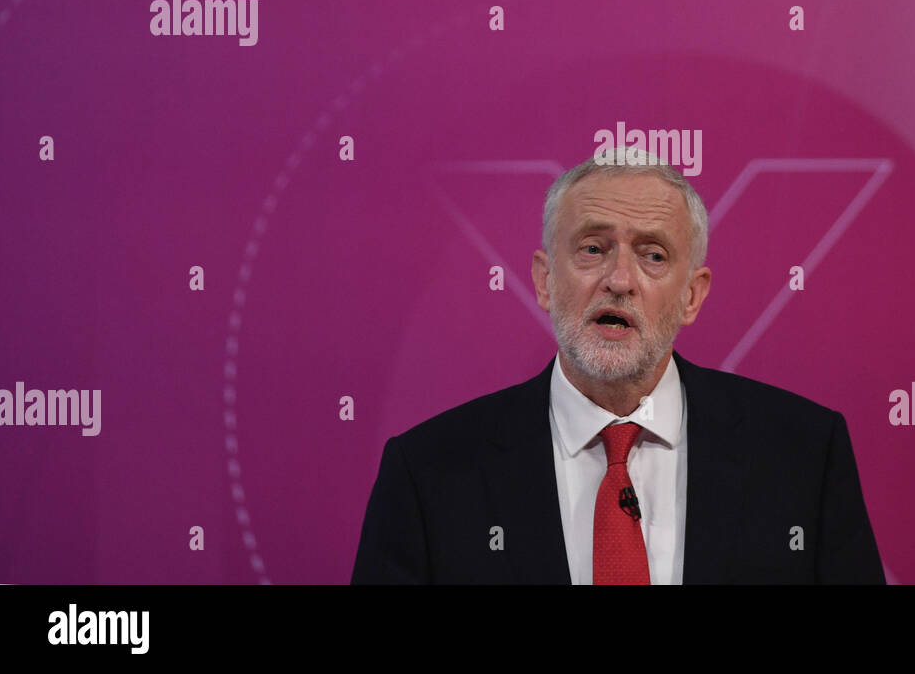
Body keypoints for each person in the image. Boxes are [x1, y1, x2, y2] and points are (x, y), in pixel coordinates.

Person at [351, 146, 886, 584]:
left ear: (693, 296)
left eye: (653, 254)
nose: (620, 279)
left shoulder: (805, 455)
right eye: (592, 248)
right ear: (544, 280)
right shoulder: (428, 472)